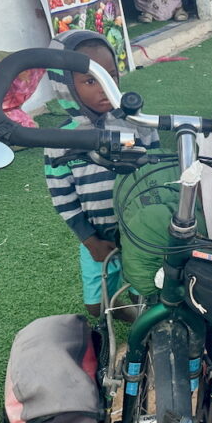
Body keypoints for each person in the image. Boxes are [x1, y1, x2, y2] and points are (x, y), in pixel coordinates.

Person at [44, 30, 159, 318]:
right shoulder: (59, 141)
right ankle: (125, 312)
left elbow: (155, 175)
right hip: (96, 237)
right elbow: (62, 197)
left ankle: (143, 319)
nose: (104, 87)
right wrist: (89, 240)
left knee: (145, 292)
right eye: (90, 80)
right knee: (97, 307)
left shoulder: (138, 125)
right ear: (65, 86)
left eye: (111, 76)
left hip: (139, 232)